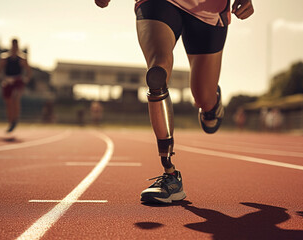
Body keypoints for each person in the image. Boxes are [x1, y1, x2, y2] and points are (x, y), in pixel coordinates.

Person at [95, 0, 254, 203]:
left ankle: (211, 104)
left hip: (209, 7)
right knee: (157, 73)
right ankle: (170, 174)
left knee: (202, 96)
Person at [0, 38, 32, 133]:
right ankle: (11, 122)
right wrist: (1, 79)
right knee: (9, 102)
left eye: (16, 45)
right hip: (7, 81)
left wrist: (25, 80)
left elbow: (29, 72)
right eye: (13, 45)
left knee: (15, 97)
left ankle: (16, 119)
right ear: (11, 45)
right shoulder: (4, 58)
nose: (15, 47)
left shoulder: (22, 59)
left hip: (18, 81)